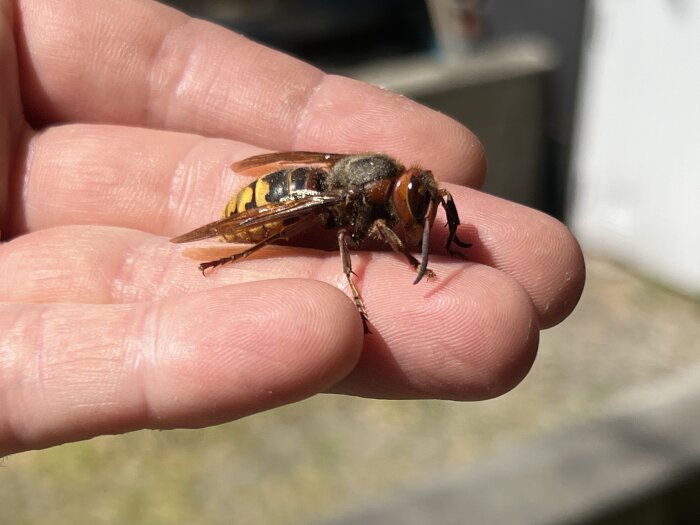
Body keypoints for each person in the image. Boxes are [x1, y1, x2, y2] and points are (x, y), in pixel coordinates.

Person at [0, 0, 585, 455]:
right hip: (294, 195)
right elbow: (350, 229)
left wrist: (445, 235)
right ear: (387, 194)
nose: (420, 212)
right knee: (291, 224)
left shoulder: (395, 178)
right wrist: (394, 268)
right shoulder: (365, 201)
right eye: (416, 204)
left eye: (426, 206)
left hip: (318, 176)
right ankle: (239, 251)